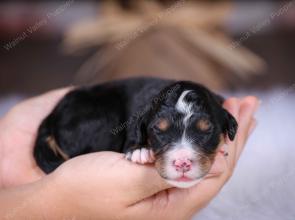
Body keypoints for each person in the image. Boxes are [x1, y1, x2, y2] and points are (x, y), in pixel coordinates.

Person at [0, 88, 258, 220]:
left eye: (204, 133)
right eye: (161, 132)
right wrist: (52, 202)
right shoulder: (140, 116)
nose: (182, 158)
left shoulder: (214, 108)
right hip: (86, 113)